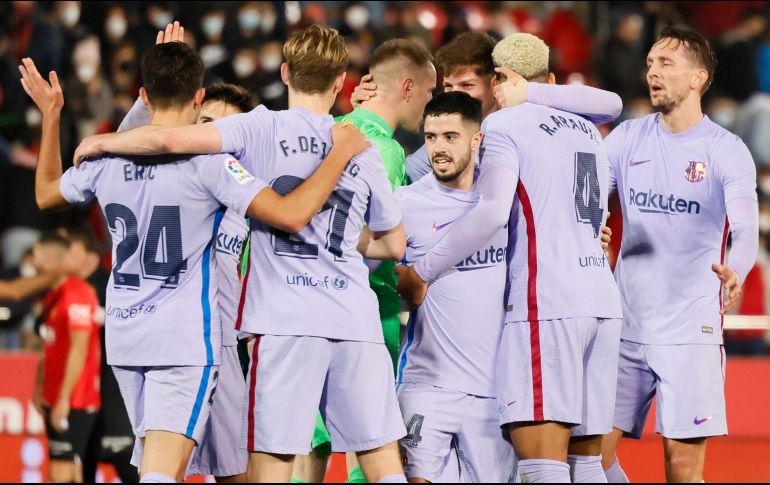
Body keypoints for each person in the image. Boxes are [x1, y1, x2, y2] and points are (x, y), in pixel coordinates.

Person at [22, 29, 371, 484]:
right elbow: (290, 214)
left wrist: (52, 117)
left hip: (127, 334)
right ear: (199, 98)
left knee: (210, 470)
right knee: (163, 472)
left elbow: (47, 194)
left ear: (143, 95)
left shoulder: (104, 160)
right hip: (187, 338)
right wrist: (339, 154)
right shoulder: (212, 163)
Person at [398, 33, 623, 484]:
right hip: (602, 299)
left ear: (501, 78)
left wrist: (421, 271)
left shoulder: (505, 127)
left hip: (548, 303)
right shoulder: (587, 127)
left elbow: (492, 211)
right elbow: (612, 103)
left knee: (541, 461)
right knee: (586, 460)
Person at [599, 25, 759, 484]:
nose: (653, 72)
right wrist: (591, 234)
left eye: (666, 63)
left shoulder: (725, 150)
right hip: (626, 325)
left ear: (697, 78)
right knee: (590, 458)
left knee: (682, 468)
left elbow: (745, 225)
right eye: (650, 63)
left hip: (691, 329)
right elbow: (587, 207)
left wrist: (737, 269)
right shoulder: (626, 139)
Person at [293, 37, 436, 485]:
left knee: (308, 442)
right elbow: (382, 237)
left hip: (305, 304)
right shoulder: (388, 152)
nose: (428, 109)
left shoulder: (330, 128)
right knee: (373, 444)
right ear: (409, 87)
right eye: (430, 95)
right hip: (368, 306)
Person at [394, 91, 516, 483]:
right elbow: (369, 258)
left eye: (450, 136)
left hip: (494, 390)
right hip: (425, 383)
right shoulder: (407, 202)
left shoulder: (507, 204)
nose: (438, 148)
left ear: (476, 139)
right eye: (430, 137)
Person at [352, 32, 623, 184]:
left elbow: (611, 105)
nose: (455, 98)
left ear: (496, 84)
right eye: (448, 86)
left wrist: (531, 91)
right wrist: (371, 111)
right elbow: (400, 178)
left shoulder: (519, 125)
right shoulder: (446, 136)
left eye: (467, 85)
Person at [32, 232, 101, 483]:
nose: (33, 262)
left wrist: (63, 399)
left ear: (51, 259)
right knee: (68, 469)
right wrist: (39, 386)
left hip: (75, 399)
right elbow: (48, 345)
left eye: (38, 255)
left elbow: (80, 349)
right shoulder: (54, 293)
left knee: (63, 471)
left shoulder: (78, 294)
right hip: (55, 395)